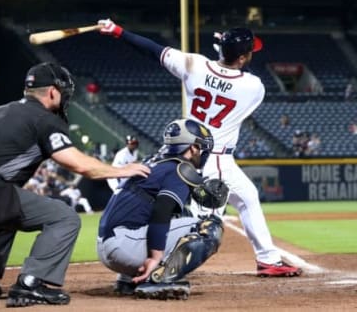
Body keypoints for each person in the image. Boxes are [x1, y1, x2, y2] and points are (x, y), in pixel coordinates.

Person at [97, 19, 302, 277]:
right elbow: (229, 74)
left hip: (185, 147)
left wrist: (118, 31)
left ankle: (268, 259)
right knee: (204, 222)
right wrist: (224, 49)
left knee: (247, 196)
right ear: (241, 58)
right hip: (211, 157)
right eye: (249, 52)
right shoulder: (253, 87)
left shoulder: (194, 64)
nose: (251, 55)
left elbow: (152, 49)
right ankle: (153, 270)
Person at [0, 62, 150, 307]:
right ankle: (30, 283)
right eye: (64, 92)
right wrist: (122, 170)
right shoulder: (44, 119)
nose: (65, 98)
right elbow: (80, 165)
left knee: (3, 217)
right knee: (64, 217)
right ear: (53, 92)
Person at [97, 118, 228, 300]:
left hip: (108, 245)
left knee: (183, 214)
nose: (203, 152)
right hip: (124, 246)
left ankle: (127, 279)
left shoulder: (153, 161)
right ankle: (159, 279)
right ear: (192, 148)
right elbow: (161, 211)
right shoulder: (179, 169)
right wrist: (155, 257)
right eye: (201, 147)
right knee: (211, 226)